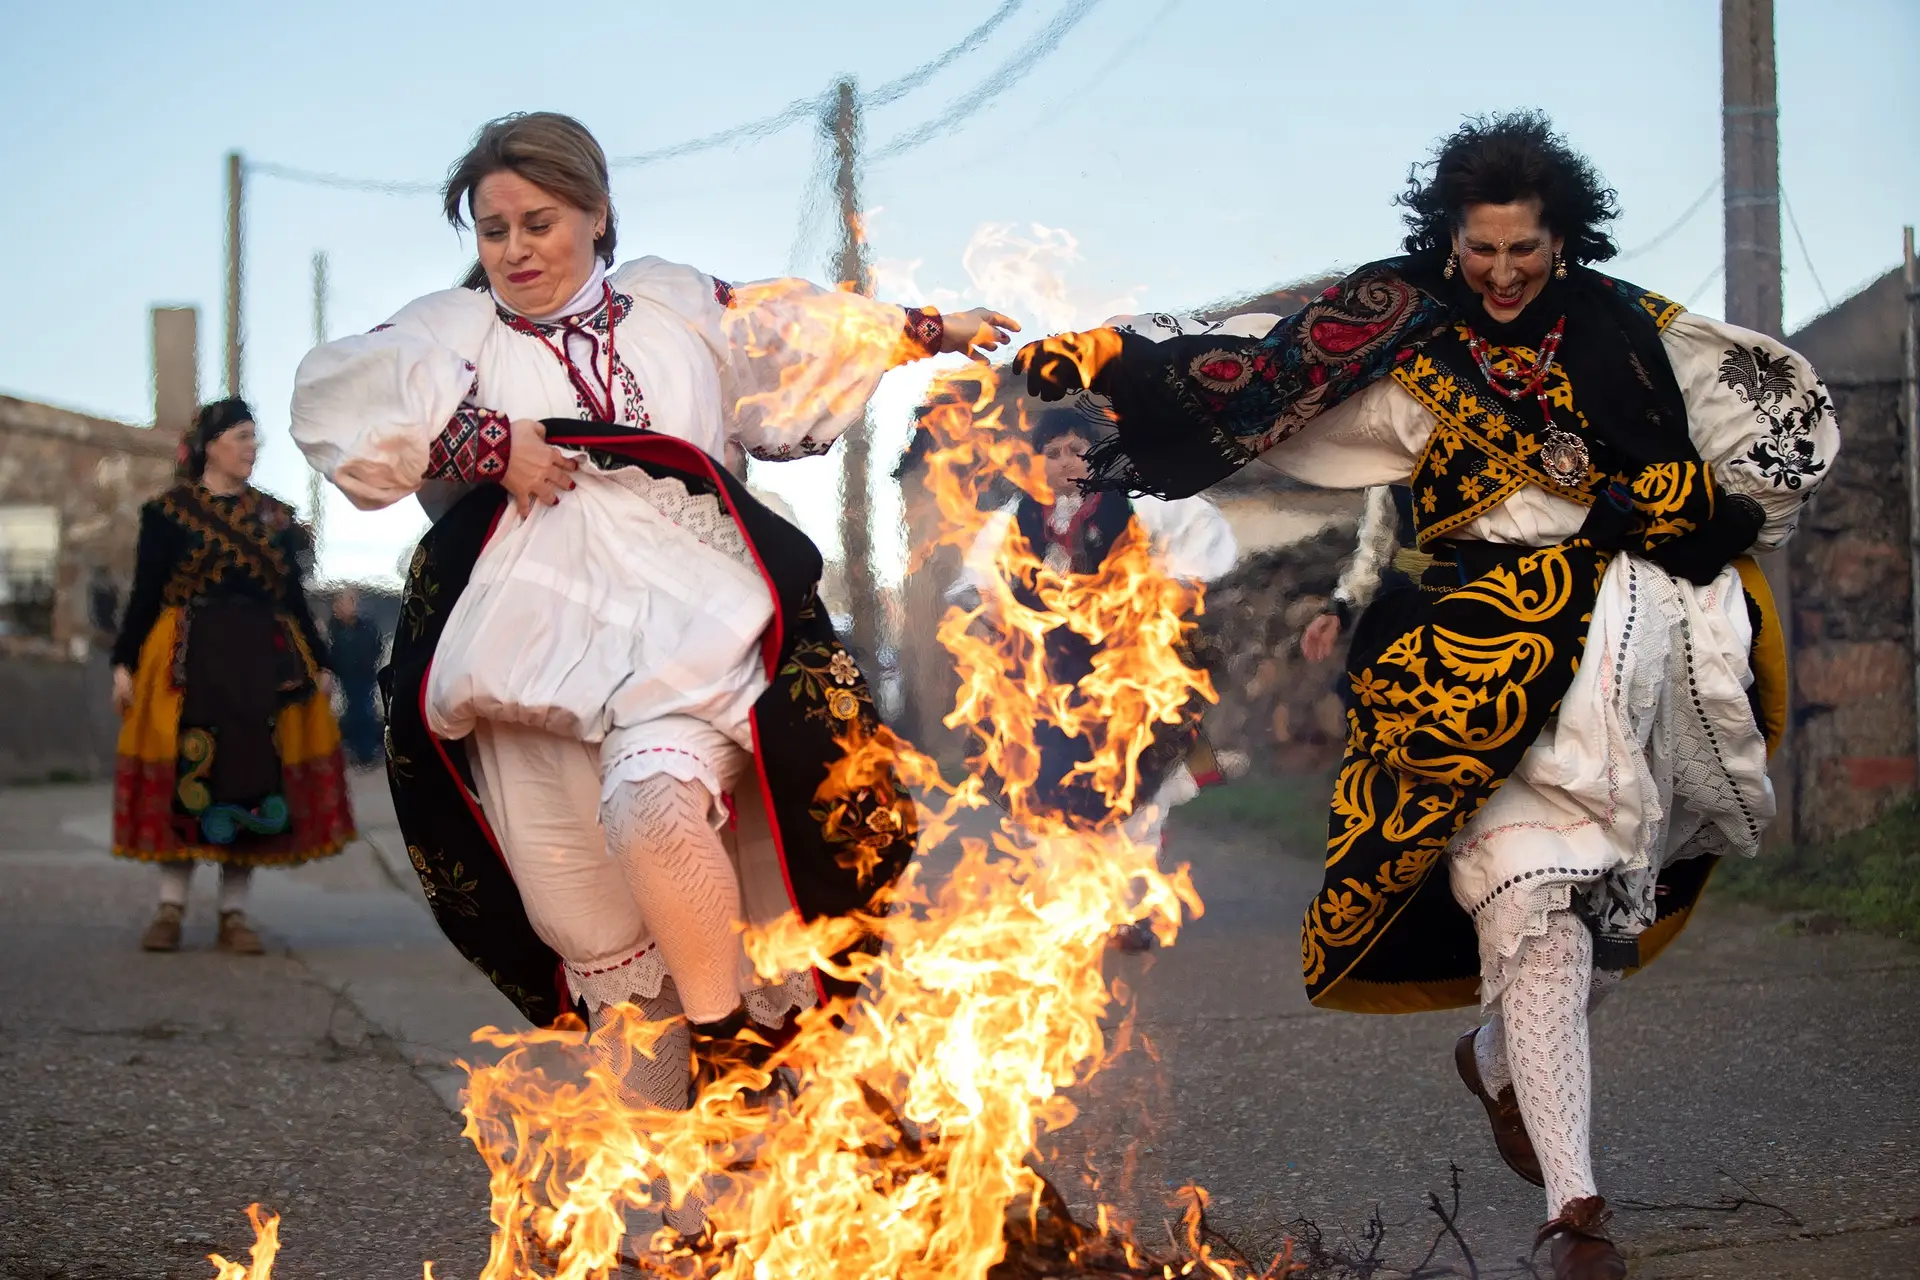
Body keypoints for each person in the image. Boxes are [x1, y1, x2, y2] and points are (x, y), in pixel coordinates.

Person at [1019, 110, 1837, 1279]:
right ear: (1450, 239)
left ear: (1563, 240)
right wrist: (1111, 367)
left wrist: (1714, 514)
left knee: (1604, 913)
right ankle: (1575, 1209)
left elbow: (1780, 423)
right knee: (1536, 907)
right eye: (1481, 250)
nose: (1502, 273)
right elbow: (1269, 373)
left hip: (1629, 648)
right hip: (1475, 668)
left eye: (1525, 250)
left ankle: (1502, 1055)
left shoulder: (1635, 333)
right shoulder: (1404, 337)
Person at [290, 111, 1015, 1239]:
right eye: (494, 230)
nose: (517, 248)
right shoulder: (452, 327)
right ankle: (683, 1232)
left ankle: (736, 1043)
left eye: (541, 222)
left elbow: (792, 331)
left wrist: (928, 326)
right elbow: (342, 392)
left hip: (692, 610)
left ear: (597, 214)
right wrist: (487, 442)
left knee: (656, 806)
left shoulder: (677, 300)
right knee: (593, 936)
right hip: (526, 640)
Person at [950, 405, 1239, 950]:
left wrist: (1162, 601)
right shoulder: (1012, 520)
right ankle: (1069, 908)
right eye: (1053, 452)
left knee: (1134, 790)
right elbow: (980, 589)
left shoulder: (1143, 505)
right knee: (1049, 791)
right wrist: (1019, 625)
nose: (1067, 462)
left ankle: (1128, 911)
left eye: (1077, 450)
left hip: (1128, 675)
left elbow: (1198, 552)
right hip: (1047, 681)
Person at [111, 398, 356, 955]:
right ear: (211, 445)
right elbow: (146, 593)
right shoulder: (167, 514)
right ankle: (170, 907)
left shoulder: (275, 518)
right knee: (185, 768)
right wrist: (123, 662)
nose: (252, 448)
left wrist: (320, 662)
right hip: (186, 657)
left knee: (251, 774)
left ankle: (234, 914)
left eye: (253, 438)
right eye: (242, 436)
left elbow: (293, 596)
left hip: (260, 663)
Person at [326, 587, 385, 768]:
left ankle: (365, 752)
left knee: (363, 711)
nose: (338, 608)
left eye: (343, 603)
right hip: (346, 676)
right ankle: (361, 748)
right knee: (356, 710)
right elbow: (334, 650)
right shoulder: (335, 627)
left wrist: (366, 665)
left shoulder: (365, 626)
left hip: (363, 676)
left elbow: (376, 647)